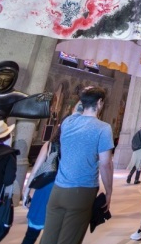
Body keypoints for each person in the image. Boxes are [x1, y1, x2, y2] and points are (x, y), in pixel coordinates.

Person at [40, 86, 114, 244]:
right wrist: (109, 191)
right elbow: (105, 163)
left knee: (48, 238)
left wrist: (84, 96)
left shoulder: (68, 122)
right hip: (82, 190)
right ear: (100, 102)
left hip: (58, 190)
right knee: (70, 239)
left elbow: (76, 111)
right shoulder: (103, 128)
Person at [21, 120, 65, 244]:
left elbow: (35, 171)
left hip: (45, 188)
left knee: (31, 233)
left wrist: (26, 192)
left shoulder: (49, 144)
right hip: (64, 189)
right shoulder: (74, 147)